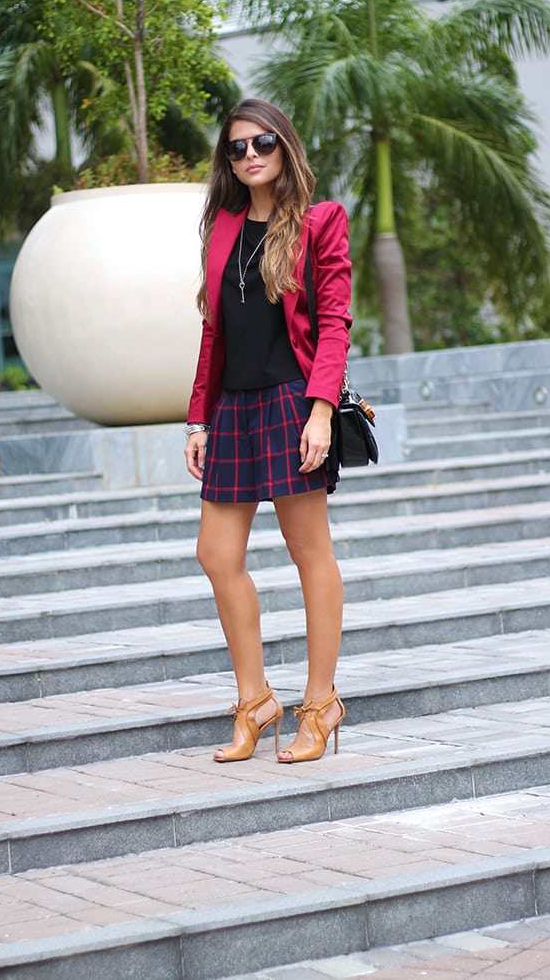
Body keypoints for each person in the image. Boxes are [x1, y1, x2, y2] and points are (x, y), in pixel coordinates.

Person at [184, 98, 352, 763]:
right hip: (232, 410)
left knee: (309, 551)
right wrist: (199, 415)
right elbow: (212, 331)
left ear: (285, 148)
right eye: (236, 149)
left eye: (262, 144)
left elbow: (335, 323)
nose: (250, 156)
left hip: (291, 401)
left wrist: (320, 409)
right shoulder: (223, 229)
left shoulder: (319, 223)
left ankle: (320, 702)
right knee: (216, 555)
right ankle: (254, 699)